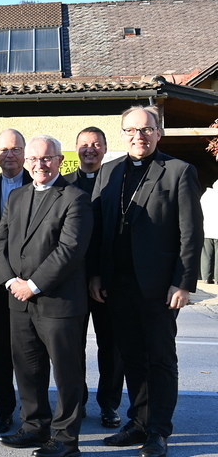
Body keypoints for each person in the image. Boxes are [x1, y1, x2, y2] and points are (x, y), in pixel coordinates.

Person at [89, 106, 203, 457]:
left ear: (158, 132)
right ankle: (137, 420)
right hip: (117, 283)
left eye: (147, 129)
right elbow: (98, 229)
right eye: (131, 130)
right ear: (122, 134)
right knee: (131, 357)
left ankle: (158, 430)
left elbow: (191, 232)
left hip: (158, 286)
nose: (139, 136)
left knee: (160, 359)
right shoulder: (108, 172)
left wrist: (183, 283)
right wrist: (96, 273)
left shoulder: (178, 171)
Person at [0, 135, 92, 457]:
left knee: (67, 374)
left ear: (60, 161)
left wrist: (32, 284)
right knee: (27, 369)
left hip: (58, 302)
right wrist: (10, 281)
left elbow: (70, 249)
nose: (40, 165)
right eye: (34, 159)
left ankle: (66, 440)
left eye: (47, 159)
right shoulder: (17, 197)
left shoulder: (74, 198)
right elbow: (0, 241)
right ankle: (34, 426)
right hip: (18, 301)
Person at [63, 127, 123, 429]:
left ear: (104, 148)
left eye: (96, 144)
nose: (90, 149)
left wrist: (100, 274)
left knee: (110, 345)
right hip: (71, 279)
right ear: (76, 149)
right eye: (84, 145)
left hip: (106, 280)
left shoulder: (117, 183)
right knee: (72, 346)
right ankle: (78, 400)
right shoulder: (64, 184)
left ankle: (109, 405)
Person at [0, 128, 28, 434]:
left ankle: (34, 408)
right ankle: (3, 409)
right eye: (3, 150)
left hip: (31, 286)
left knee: (31, 351)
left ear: (24, 153)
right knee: (1, 351)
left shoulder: (40, 184)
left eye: (14, 149)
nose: (9, 155)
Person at [200, 177, 218, 285]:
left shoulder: (205, 196)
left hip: (207, 229)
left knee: (206, 255)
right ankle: (217, 279)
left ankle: (206, 278)